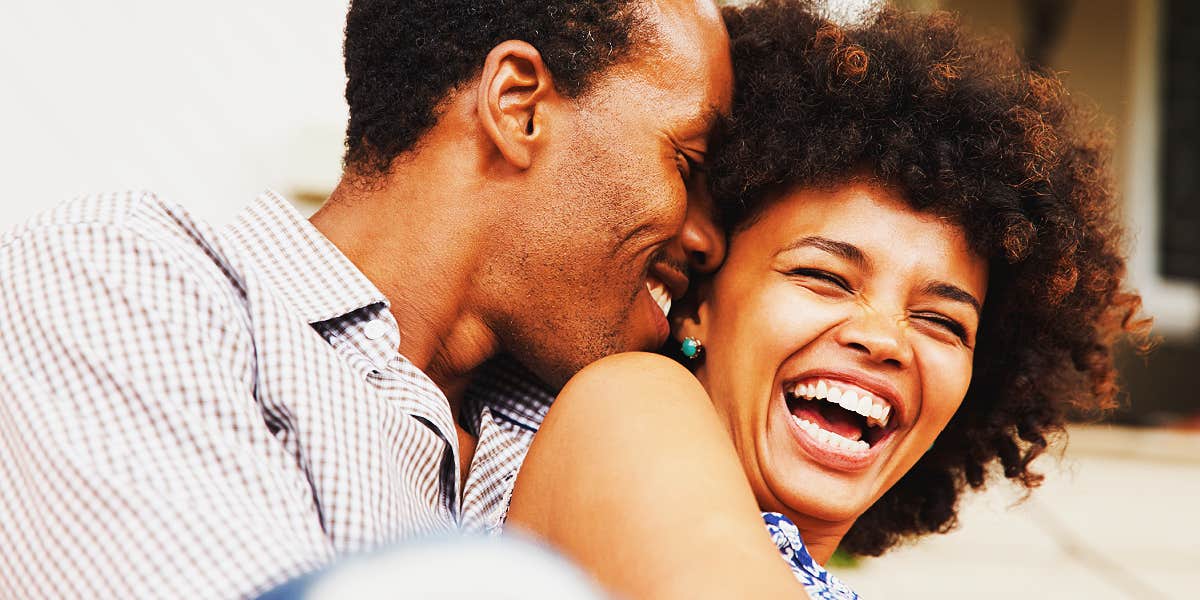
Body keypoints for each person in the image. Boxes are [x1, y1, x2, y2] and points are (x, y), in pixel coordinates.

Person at [0, 1, 732, 597]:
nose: (708, 240)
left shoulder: (589, 425)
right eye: (687, 163)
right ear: (518, 105)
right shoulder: (123, 277)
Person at [504, 1, 1149, 598]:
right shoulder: (627, 401)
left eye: (941, 321)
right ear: (699, 301)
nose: (887, 339)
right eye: (827, 278)